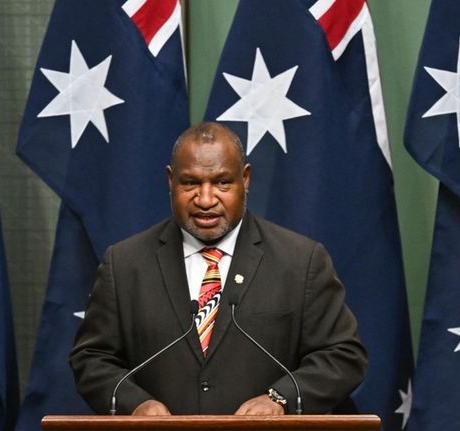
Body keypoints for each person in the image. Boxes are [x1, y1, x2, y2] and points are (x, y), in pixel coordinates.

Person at [69, 122, 367, 415]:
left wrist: (281, 399)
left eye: (222, 182)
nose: (206, 199)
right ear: (170, 181)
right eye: (191, 183)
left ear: (245, 179)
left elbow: (342, 356)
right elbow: (92, 358)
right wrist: (135, 404)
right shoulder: (124, 264)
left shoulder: (301, 261)